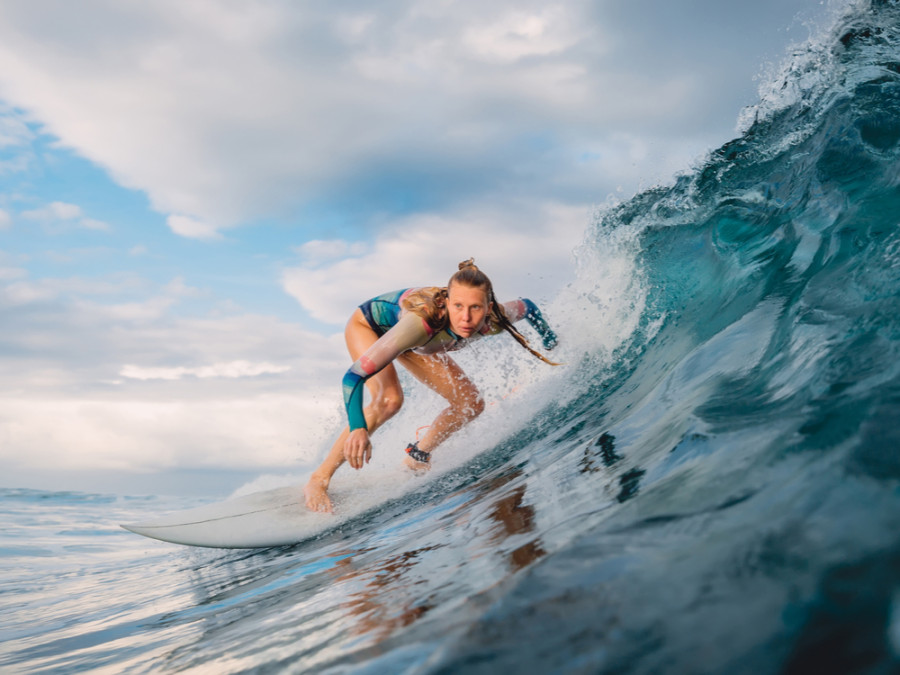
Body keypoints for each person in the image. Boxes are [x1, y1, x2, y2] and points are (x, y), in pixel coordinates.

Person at [303, 258, 560, 513]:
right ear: (446, 303)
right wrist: (358, 428)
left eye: (475, 308)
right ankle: (319, 479)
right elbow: (353, 377)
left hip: (417, 340)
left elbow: (528, 307)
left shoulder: (494, 321)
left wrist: (550, 339)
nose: (466, 318)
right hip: (371, 324)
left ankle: (417, 457)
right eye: (458, 306)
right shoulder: (422, 324)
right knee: (389, 401)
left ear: (488, 307)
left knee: (470, 403)